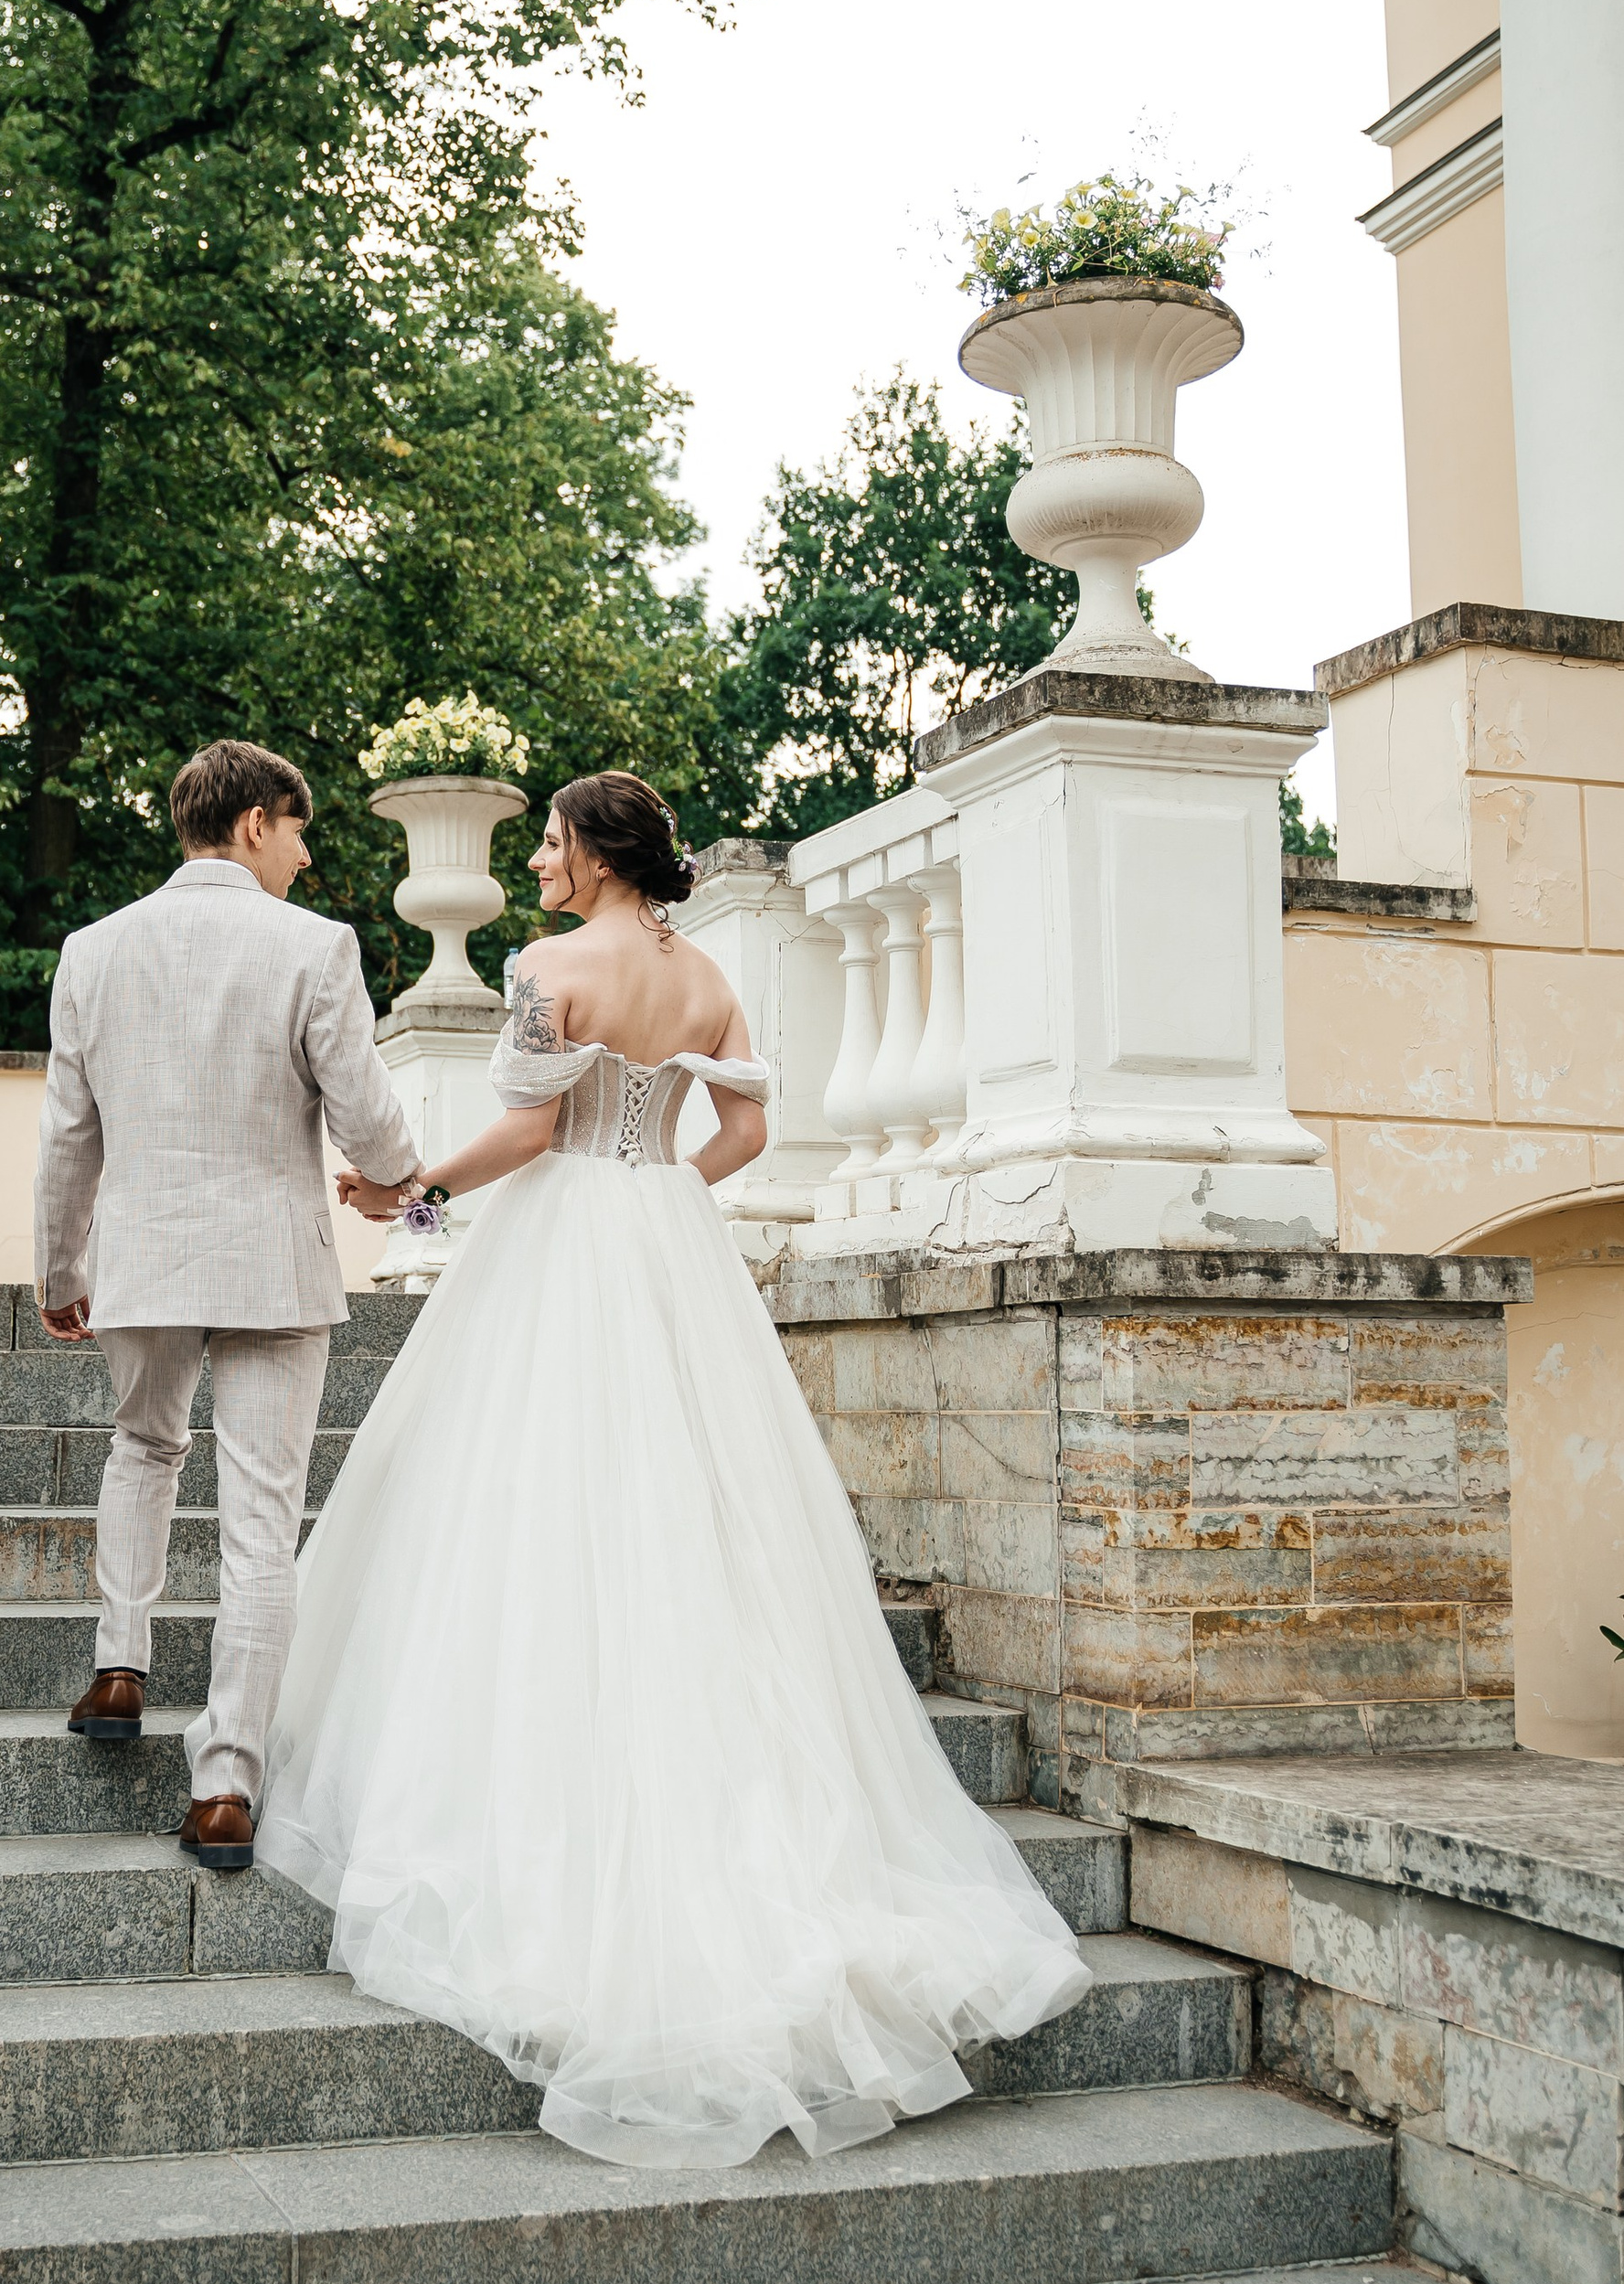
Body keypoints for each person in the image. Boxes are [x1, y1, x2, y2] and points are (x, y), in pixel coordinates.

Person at [256, 768, 1091, 2170]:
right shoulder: (704, 978)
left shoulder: (547, 969)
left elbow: (527, 1129)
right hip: (662, 1238)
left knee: (525, 1501)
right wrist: (655, 1203)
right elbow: (748, 1133)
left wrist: (414, 1193)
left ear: (594, 853)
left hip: (564, 1237)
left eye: (549, 843)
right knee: (700, 1517)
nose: (535, 862)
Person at [34, 738, 420, 1873]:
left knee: (143, 1447)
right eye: (298, 830)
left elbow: (68, 1134)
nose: (304, 855)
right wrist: (398, 1178)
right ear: (253, 822)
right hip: (271, 1265)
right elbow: (368, 1114)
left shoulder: (93, 951)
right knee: (261, 1521)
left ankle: (118, 1665)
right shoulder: (312, 947)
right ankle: (224, 1787)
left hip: (142, 1259)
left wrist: (61, 1272)